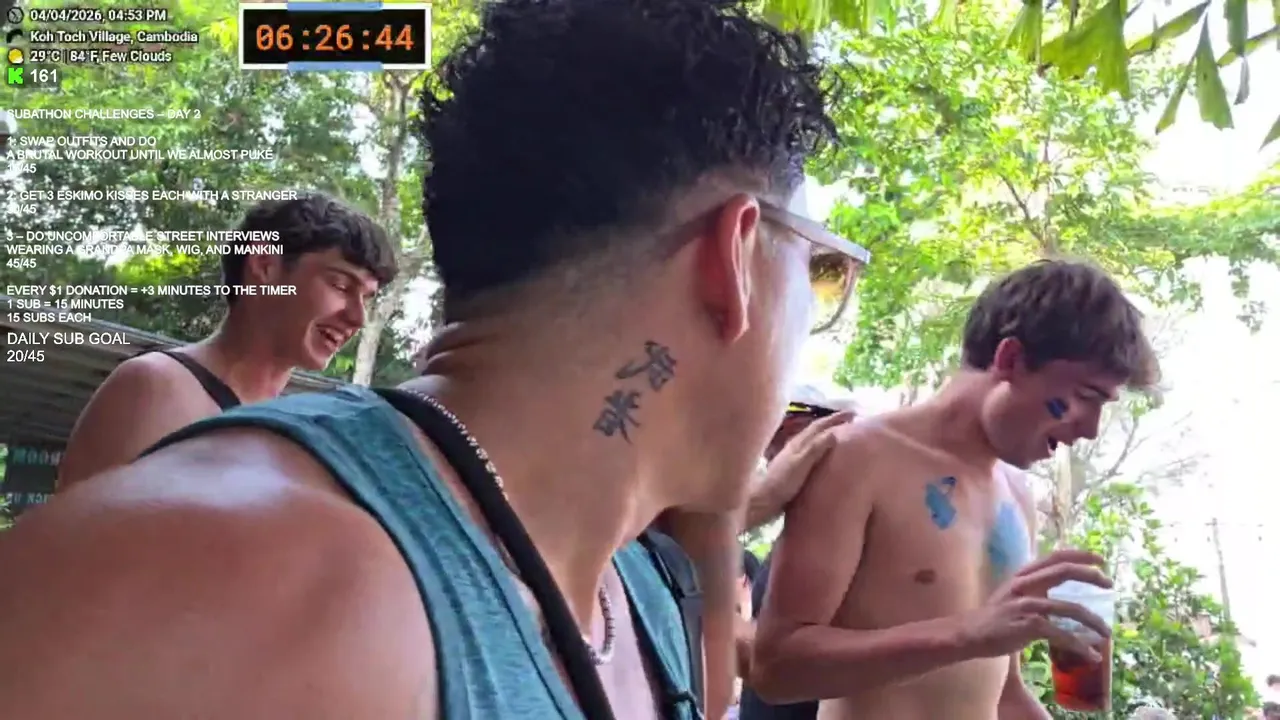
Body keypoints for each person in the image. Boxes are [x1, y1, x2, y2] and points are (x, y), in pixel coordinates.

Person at [0, 2, 870, 719]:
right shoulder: (243, 570)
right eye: (821, 270)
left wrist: (713, 500)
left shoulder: (640, 593)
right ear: (735, 256)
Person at [751, 259, 1159, 720]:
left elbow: (1003, 695)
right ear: (1010, 360)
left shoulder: (1016, 494)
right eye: (1086, 397)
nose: (1090, 430)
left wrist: (980, 639)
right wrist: (967, 634)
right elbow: (776, 668)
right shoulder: (857, 458)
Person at [56, 193, 397, 489]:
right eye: (340, 285)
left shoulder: (298, 427)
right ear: (265, 266)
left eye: (366, 298)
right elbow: (79, 539)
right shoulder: (155, 388)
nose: (357, 318)